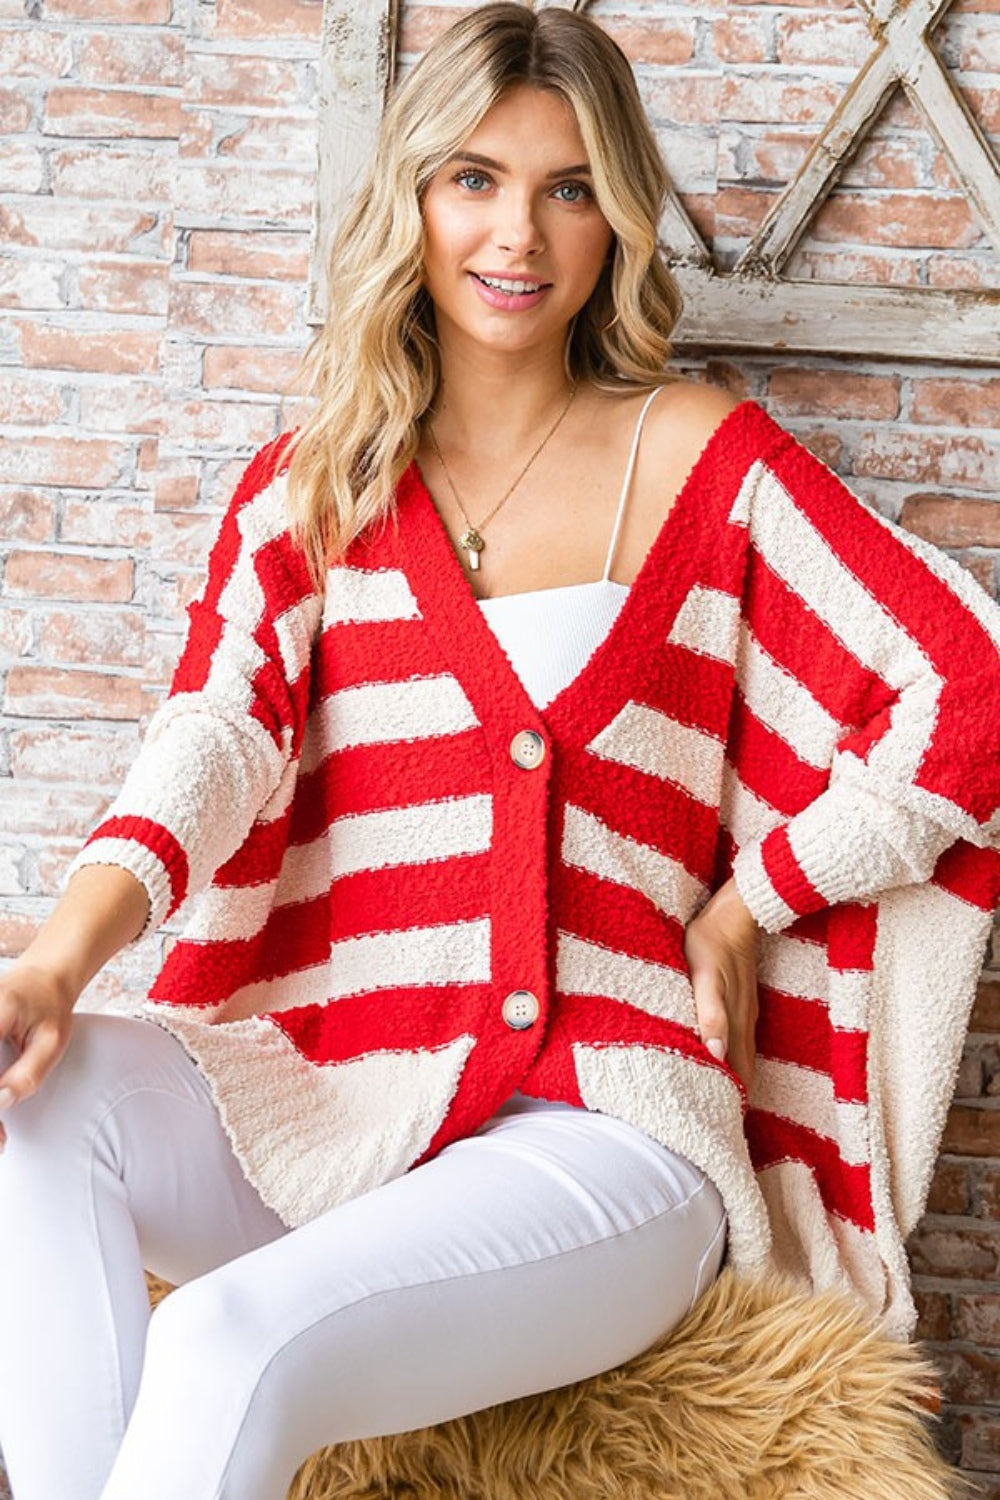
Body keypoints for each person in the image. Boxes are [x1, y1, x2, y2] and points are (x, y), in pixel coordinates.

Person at [0, 5, 997, 1498]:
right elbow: (213, 736)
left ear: (617, 219)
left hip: (608, 1135)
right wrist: (55, 966)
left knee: (221, 1341)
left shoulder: (701, 458)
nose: (517, 232)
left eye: (568, 186)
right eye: (474, 178)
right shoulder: (315, 488)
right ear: (414, 199)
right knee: (37, 1108)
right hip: (353, 1103)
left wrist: (751, 902)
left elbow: (969, 691)